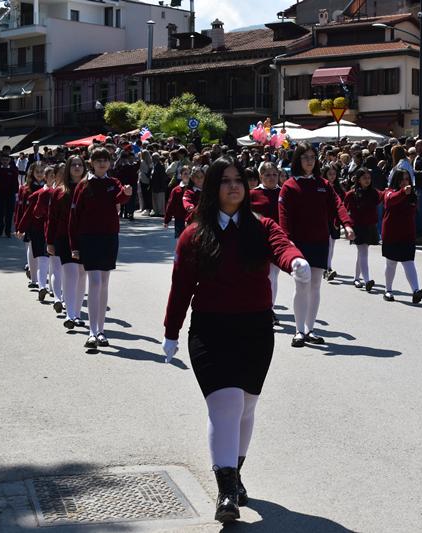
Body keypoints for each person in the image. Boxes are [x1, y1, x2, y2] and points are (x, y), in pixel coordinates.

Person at [162, 158, 309, 524]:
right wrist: (171, 332)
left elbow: (282, 246)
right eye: (224, 181)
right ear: (213, 188)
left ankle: (235, 473)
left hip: (255, 329)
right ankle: (226, 490)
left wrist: (295, 262)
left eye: (238, 180)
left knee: (245, 406)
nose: (233, 186)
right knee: (225, 404)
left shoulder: (262, 226)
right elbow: (180, 287)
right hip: (210, 330)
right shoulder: (194, 234)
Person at [279, 142, 355, 347]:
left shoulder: (323, 184)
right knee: (301, 285)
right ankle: (299, 331)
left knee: (315, 285)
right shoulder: (289, 186)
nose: (309, 161)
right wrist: (287, 239)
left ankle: (310, 329)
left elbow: (338, 204)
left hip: (320, 241)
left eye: (312, 157)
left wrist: (347, 224)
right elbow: (284, 214)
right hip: (298, 243)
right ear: (298, 160)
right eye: (305, 157)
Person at [68, 147, 133, 349]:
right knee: (94, 282)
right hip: (88, 238)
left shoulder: (113, 183)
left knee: (104, 282)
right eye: (98, 160)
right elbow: (74, 217)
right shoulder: (84, 185)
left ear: (110, 162)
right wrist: (74, 245)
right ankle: (92, 332)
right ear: (91, 163)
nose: (102, 163)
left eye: (105, 160)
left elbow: (120, 197)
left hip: (109, 237)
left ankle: (101, 331)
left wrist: (127, 193)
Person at [47, 156, 87, 329]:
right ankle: (70, 315)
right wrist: (49, 241)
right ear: (68, 169)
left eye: (80, 164)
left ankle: (77, 314)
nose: (77, 167)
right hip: (63, 238)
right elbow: (51, 219)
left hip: (86, 238)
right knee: (71, 274)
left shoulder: (89, 188)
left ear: (84, 168)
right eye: (73, 165)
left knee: (82, 275)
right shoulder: (59, 192)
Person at [381, 169, 422, 303]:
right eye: (402, 179)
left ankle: (416, 291)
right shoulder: (389, 192)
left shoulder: (412, 195)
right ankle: (388, 290)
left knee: (409, 262)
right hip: (391, 234)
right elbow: (390, 200)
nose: (405, 182)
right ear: (396, 180)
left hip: (407, 235)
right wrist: (403, 192)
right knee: (391, 263)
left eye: (407, 179)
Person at [249, 162, 283, 324]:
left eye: (274, 174)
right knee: (257, 275)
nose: (271, 178)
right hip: (256, 239)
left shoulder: (283, 192)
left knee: (273, 276)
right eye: (267, 175)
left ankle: (269, 309)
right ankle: (255, 306)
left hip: (277, 240)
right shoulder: (253, 194)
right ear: (261, 176)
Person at [16, 163, 51, 301]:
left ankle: (43, 279)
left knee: (44, 252)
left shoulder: (50, 188)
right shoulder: (25, 189)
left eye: (42, 171)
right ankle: (34, 278)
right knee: (31, 247)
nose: (40, 174)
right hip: (31, 223)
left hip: (46, 223)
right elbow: (21, 208)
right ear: (32, 173)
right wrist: (19, 225)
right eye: (37, 171)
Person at [344, 167, 381, 292]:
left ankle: (356, 278)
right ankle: (367, 280)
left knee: (362, 254)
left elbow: (384, 197)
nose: (367, 180)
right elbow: (343, 210)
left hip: (370, 226)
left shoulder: (374, 193)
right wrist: (345, 226)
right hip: (357, 227)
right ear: (358, 179)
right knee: (363, 252)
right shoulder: (351, 194)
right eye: (364, 178)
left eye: (369, 178)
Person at [321, 162, 345, 282]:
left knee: (332, 245)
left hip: (334, 220)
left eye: (334, 174)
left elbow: (343, 202)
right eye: (329, 174)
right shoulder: (321, 187)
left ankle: (328, 266)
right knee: (325, 245)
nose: (332, 176)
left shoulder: (338, 188)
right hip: (323, 219)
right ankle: (326, 268)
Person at [0, 154, 18, 237]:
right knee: (0, 212)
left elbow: (15, 182)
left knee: (9, 213)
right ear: (1, 160)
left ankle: (8, 230)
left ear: (9, 161)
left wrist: (16, 192)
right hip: (0, 194)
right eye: (4, 160)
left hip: (10, 194)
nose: (5, 161)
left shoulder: (13, 170)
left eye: (7, 160)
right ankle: (1, 227)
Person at [164, 166, 190, 238]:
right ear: (181, 175)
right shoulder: (176, 190)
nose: (187, 175)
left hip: (191, 219)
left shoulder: (194, 188)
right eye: (185, 174)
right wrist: (167, 220)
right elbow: (170, 205)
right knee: (180, 239)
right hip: (179, 219)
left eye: (189, 173)